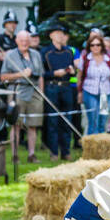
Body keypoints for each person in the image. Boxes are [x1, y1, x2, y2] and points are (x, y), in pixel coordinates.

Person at [0, 30, 45, 162]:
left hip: (35, 92)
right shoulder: (10, 55)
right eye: (21, 40)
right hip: (17, 91)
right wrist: (19, 74)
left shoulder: (36, 54)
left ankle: (31, 154)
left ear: (30, 41)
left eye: (27, 40)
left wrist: (41, 93)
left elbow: (40, 75)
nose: (24, 42)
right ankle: (15, 155)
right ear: (16, 41)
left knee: (33, 125)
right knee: (16, 124)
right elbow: (3, 77)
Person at [41, 23, 77, 161]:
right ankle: (54, 152)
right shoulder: (45, 52)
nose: (60, 36)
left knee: (67, 119)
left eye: (62, 33)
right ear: (51, 36)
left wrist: (73, 71)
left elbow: (72, 69)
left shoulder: (69, 51)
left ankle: (66, 151)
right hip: (52, 87)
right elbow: (42, 73)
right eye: (57, 33)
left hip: (66, 87)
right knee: (52, 121)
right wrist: (54, 73)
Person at [78, 32, 110, 137]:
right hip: (90, 92)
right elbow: (80, 76)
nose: (95, 47)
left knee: (103, 120)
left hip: (105, 93)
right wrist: (79, 92)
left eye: (98, 45)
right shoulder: (86, 58)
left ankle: (101, 145)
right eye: (92, 45)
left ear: (102, 46)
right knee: (93, 120)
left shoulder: (108, 58)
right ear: (89, 46)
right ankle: (91, 146)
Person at [0, 11, 20, 82]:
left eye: (14, 23)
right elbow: (1, 57)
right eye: (10, 23)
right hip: (1, 74)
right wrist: (16, 53)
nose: (13, 25)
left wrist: (8, 53)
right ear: (5, 24)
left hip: (15, 75)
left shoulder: (18, 38)